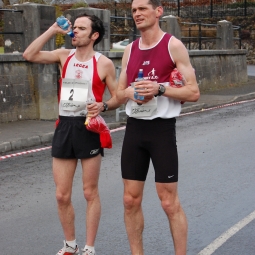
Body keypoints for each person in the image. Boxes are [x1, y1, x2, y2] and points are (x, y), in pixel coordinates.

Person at [23, 13, 119, 255]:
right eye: (73, 27)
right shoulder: (64, 56)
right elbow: (29, 55)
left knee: (89, 192)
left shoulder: (103, 63)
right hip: (65, 126)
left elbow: (118, 96)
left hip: (88, 127)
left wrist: (103, 106)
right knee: (61, 195)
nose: (75, 31)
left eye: (81, 28)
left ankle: (89, 247)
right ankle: (70, 245)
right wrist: (53, 30)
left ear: (94, 35)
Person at [116, 0, 200, 254]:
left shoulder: (173, 45)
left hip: (161, 130)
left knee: (168, 202)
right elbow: (119, 91)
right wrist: (131, 93)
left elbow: (194, 92)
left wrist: (160, 88)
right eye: (133, 10)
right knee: (130, 201)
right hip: (134, 129)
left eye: (142, 8)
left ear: (158, 11)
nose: (137, 14)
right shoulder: (129, 49)